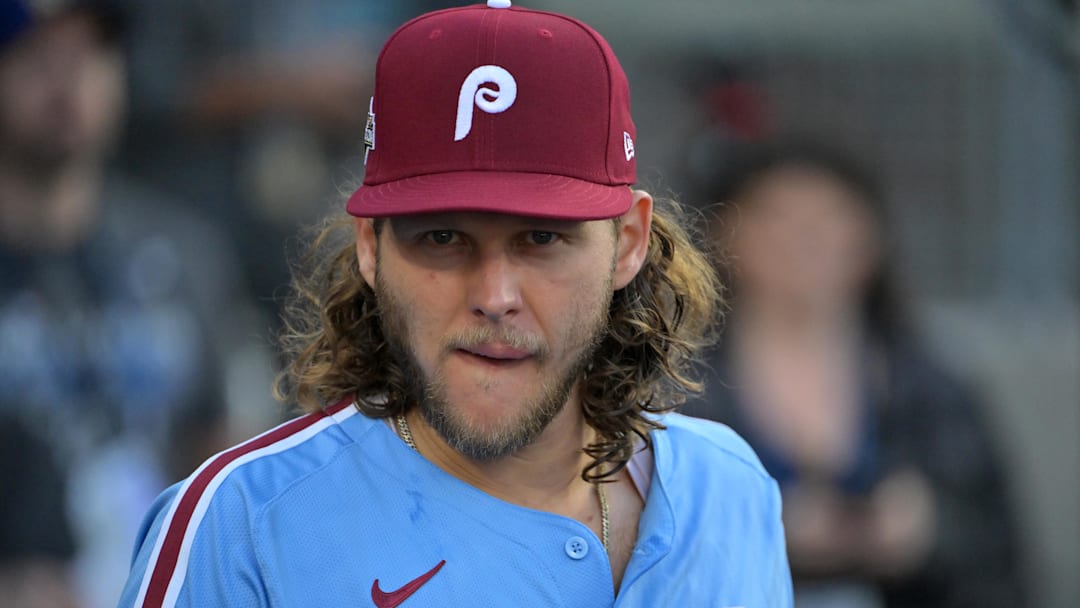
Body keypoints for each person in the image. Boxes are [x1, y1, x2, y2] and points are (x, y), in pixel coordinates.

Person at [118, 2, 793, 606]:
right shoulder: (241, 525)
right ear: (371, 247)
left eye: (542, 238)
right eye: (443, 238)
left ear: (628, 243)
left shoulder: (729, 490)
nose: (495, 297)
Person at [0, 1, 265, 605]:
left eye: (90, 55)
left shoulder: (185, 254)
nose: (67, 81)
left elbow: (233, 457)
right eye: (36, 57)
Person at [682, 140, 1024, 607]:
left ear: (872, 238)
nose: (805, 237)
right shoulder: (676, 385)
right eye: (778, 216)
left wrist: (929, 527)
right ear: (723, 234)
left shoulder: (932, 387)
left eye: (831, 216)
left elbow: (999, 546)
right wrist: (758, 527)